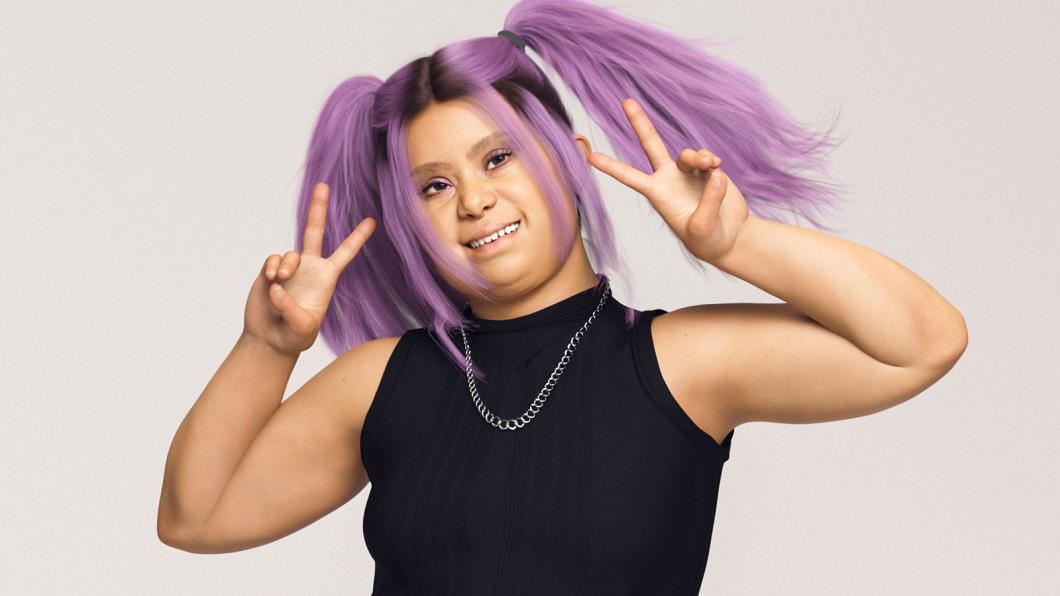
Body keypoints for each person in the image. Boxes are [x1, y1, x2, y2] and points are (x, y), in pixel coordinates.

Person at [156, 0, 968, 593]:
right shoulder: (381, 383)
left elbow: (922, 341)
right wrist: (268, 346)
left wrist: (738, 245)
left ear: (568, 159)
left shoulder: (681, 364)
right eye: (435, 185)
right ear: (410, 219)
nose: (472, 200)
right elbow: (196, 520)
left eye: (498, 158)